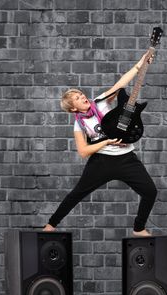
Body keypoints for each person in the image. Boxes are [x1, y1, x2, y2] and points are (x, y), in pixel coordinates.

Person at [43, 52, 157, 237]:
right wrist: (105, 141)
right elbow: (83, 151)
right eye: (78, 99)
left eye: (81, 94)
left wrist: (141, 64)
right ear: (73, 109)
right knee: (76, 194)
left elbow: (121, 84)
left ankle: (139, 228)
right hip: (101, 161)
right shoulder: (78, 124)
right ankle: (50, 225)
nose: (83, 97)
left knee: (150, 191)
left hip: (126, 158)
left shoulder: (101, 102)